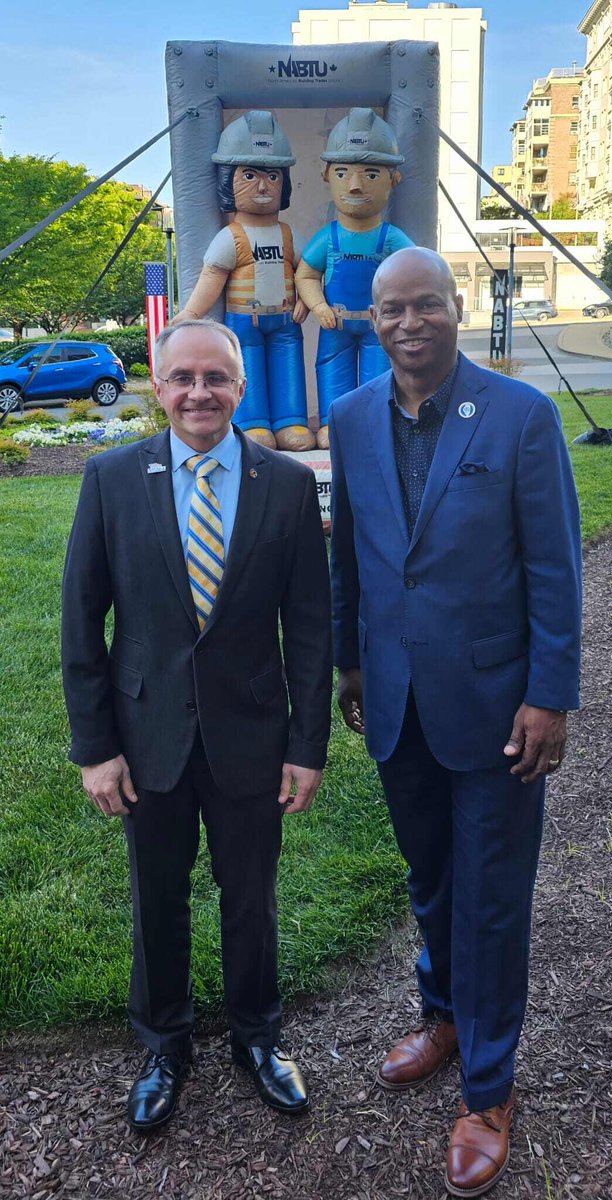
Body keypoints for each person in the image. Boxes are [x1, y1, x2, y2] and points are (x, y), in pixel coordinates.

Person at [329, 248, 582, 1197]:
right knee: (430, 880)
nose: (409, 323)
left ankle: (488, 1088)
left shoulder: (521, 415)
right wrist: (353, 662)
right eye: (391, 309)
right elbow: (351, 553)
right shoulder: (352, 418)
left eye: (426, 305)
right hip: (396, 702)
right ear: (372, 318)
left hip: (497, 709)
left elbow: (554, 567)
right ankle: (440, 1018)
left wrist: (550, 693)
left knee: (489, 898)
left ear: (456, 306)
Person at [62, 318, 332, 1131]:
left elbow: (311, 629)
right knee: (158, 897)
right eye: (182, 377)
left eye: (216, 378)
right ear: (158, 382)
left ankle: (257, 1035)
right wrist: (96, 747)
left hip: (251, 732)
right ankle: (165, 1044)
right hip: (148, 739)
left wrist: (306, 745)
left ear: (240, 387)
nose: (198, 393)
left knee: (249, 894)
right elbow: (83, 623)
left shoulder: (284, 483)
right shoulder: (111, 477)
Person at [175, 111, 316, 451]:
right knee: (246, 369)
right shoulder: (231, 236)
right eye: (249, 175)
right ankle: (252, 423)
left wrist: (304, 300)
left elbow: (307, 271)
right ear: (228, 181)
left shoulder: (287, 234)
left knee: (289, 368)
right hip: (243, 321)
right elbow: (213, 276)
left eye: (272, 175)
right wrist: (191, 313)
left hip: (284, 320)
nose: (263, 186)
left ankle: (290, 421)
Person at [296, 107, 414, 449]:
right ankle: (335, 425)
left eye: (372, 175)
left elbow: (416, 272)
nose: (357, 186)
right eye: (344, 173)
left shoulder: (392, 238)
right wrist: (318, 306)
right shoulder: (328, 237)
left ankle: (377, 424)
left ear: (394, 179)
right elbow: (306, 274)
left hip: (380, 326)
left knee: (381, 375)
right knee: (332, 372)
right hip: (335, 324)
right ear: (326, 175)